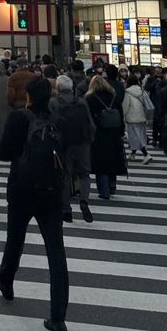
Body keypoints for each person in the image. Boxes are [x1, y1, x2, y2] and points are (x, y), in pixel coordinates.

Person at [0, 77, 69, 331]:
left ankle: (6, 280)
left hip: (22, 188)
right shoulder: (58, 119)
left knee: (15, 238)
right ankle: (58, 317)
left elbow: (3, 153)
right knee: (56, 252)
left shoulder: (19, 118)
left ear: (29, 96)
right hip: (51, 191)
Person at [50, 74, 96, 223]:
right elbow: (90, 123)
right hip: (82, 142)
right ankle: (84, 200)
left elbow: (51, 124)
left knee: (65, 175)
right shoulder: (81, 101)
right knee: (84, 174)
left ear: (58, 88)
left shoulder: (54, 103)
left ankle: (66, 209)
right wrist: (89, 140)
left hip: (64, 143)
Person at [86, 74, 127, 200]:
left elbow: (88, 118)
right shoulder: (114, 97)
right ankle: (112, 186)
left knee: (100, 163)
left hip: (98, 133)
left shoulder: (90, 99)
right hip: (114, 132)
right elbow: (120, 115)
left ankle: (104, 190)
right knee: (112, 160)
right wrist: (121, 131)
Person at [122, 74, 152, 164]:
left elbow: (125, 106)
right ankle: (132, 153)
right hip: (141, 116)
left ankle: (146, 154)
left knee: (135, 137)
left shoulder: (127, 92)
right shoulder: (142, 91)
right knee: (140, 135)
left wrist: (122, 115)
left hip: (132, 117)